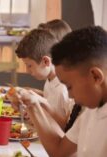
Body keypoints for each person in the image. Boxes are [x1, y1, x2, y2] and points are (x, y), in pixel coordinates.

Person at [16, 26, 107, 157]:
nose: (69, 95)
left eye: (69, 86)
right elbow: (59, 151)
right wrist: (32, 104)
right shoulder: (90, 110)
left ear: (96, 76)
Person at [15, 29, 74, 131]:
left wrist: (40, 102)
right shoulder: (50, 80)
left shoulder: (65, 88)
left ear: (46, 61)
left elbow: (67, 127)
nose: (28, 71)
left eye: (29, 65)